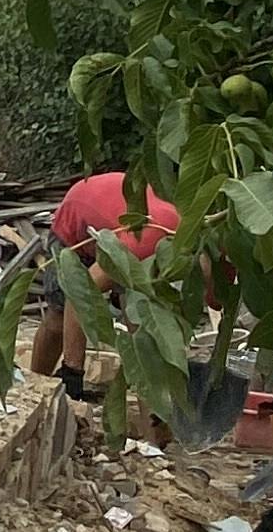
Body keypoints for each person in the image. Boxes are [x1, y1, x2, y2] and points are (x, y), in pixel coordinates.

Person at [45, 166, 181, 395]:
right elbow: (81, 293)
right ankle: (34, 386)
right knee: (58, 318)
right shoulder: (144, 244)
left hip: (117, 222)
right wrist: (73, 371)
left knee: (143, 338)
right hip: (78, 216)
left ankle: (153, 414)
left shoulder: (211, 250)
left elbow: (215, 302)